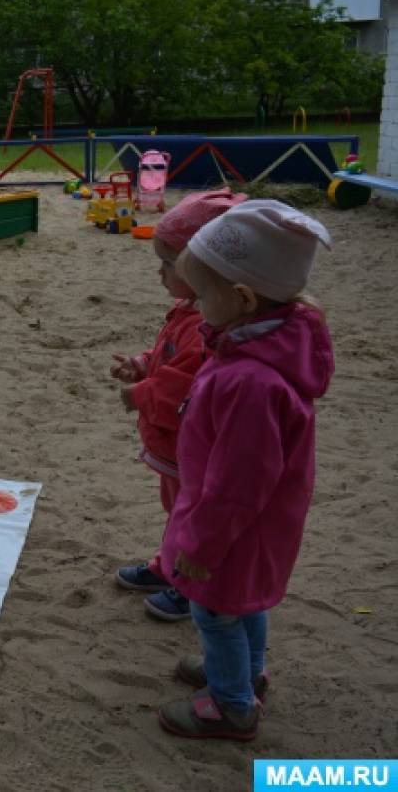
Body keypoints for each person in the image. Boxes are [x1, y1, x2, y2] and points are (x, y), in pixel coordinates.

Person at [155, 200, 334, 741]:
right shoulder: (255, 345)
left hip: (235, 531)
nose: (196, 307)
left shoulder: (252, 381)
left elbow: (238, 485)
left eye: (203, 296)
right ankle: (246, 673)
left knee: (215, 611)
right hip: (252, 528)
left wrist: (201, 546)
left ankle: (233, 705)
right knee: (243, 605)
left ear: (243, 298)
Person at [111, 190, 246, 622]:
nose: (160, 274)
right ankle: (168, 566)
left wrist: (140, 394)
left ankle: (192, 585)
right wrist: (142, 364)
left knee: (193, 514)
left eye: (169, 264)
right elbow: (168, 359)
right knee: (178, 511)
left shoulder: (209, 327)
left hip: (190, 444)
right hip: (172, 445)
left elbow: (186, 388)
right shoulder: (187, 311)